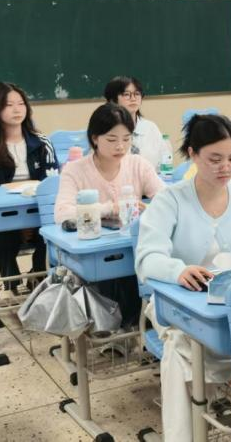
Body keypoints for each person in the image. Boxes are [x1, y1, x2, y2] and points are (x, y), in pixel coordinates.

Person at [136, 113, 231, 442]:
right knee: (178, 350)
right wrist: (178, 270)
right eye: (215, 159)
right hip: (181, 304)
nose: (225, 167)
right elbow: (147, 258)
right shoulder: (171, 199)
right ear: (192, 154)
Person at [55, 103, 164, 327]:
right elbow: (62, 213)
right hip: (96, 251)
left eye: (127, 139)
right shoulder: (75, 170)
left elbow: (167, 200)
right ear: (95, 138)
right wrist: (110, 207)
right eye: (112, 139)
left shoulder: (138, 164)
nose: (121, 146)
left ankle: (136, 326)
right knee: (113, 275)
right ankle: (117, 327)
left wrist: (150, 209)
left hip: (132, 245)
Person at [0, 82, 58, 295]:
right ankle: (11, 285)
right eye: (9, 105)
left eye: (21, 103)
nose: (17, 109)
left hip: (38, 214)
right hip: (0, 219)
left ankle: (38, 278)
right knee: (3, 238)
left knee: (54, 231)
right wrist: (18, 223)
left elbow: (52, 187)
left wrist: (30, 219)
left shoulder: (41, 142)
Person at [103, 75, 169, 171]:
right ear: (112, 100)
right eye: (126, 94)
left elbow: (164, 161)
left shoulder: (151, 128)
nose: (133, 98)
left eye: (137, 94)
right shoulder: (105, 128)